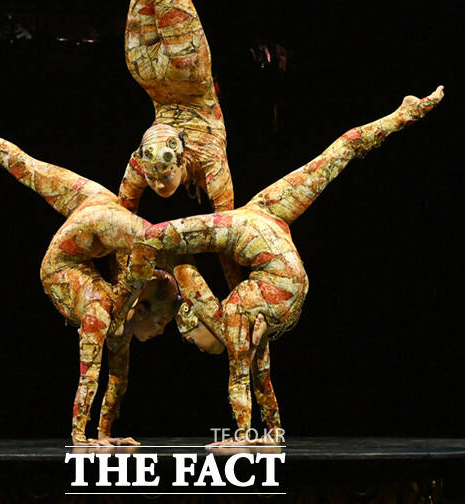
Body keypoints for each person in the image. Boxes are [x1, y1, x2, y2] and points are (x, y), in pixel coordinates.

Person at [113, 86, 444, 445]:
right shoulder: (260, 218)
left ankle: (245, 435)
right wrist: (401, 116)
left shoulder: (226, 250)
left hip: (276, 280)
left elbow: (156, 239)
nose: (198, 347)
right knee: (251, 352)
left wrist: (122, 301)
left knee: (229, 332)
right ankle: (272, 432)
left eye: (193, 342)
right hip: (277, 267)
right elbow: (343, 148)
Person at [0, 111, 178, 446]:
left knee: (23, 163)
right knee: (145, 258)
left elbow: (119, 376)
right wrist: (82, 437)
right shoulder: (104, 303)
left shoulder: (123, 285)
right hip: (62, 266)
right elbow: (91, 369)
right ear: (143, 307)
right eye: (162, 323)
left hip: (102, 206)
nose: (161, 331)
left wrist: (107, 434)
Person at [119, 0, 241, 289]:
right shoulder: (141, 163)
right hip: (145, 72)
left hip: (186, 70)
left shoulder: (208, 162)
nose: (155, 183)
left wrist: (233, 290)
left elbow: (227, 233)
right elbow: (123, 211)